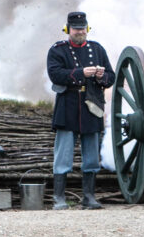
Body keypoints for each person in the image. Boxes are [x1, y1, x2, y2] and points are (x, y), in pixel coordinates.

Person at [46, 11, 115, 209]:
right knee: (63, 156)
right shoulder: (57, 50)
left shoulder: (97, 49)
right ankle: (59, 198)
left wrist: (101, 76)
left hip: (91, 106)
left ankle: (89, 197)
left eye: (83, 28)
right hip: (67, 106)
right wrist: (80, 73)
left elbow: (111, 77)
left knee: (92, 156)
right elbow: (55, 74)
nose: (80, 32)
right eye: (76, 29)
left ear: (87, 28)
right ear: (68, 29)